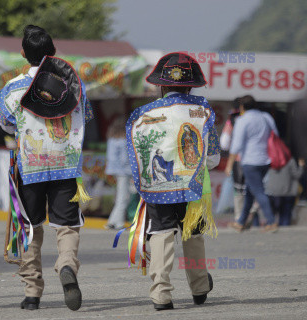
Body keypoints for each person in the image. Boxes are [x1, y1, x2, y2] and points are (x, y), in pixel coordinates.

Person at [0, 25, 93, 311]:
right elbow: (85, 115)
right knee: (67, 226)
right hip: (66, 164)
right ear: (53, 53)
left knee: (29, 227)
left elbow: (6, 124)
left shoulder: (11, 90)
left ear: (23, 54)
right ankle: (66, 265)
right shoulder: (73, 85)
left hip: (30, 166)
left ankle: (32, 292)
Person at [126, 52, 220, 310]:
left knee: (161, 234)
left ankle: (161, 294)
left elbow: (135, 156)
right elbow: (211, 158)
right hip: (193, 186)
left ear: (161, 85)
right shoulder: (202, 110)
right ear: (191, 85)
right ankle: (200, 287)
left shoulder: (140, 115)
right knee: (193, 234)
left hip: (158, 186)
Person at [225, 95, 279, 232]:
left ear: (242, 107)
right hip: (265, 160)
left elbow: (236, 145)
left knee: (259, 191)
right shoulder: (266, 117)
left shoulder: (243, 120)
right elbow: (276, 134)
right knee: (250, 191)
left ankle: (271, 221)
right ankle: (241, 222)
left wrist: (229, 164)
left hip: (250, 161)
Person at [220, 101, 263, 226]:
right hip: (259, 159)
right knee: (257, 189)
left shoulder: (233, 120)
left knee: (238, 190)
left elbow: (224, 143)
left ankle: (240, 218)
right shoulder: (262, 118)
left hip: (239, 159)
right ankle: (253, 210)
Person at [105, 116, 132, 230]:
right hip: (124, 171)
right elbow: (125, 158)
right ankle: (118, 222)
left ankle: (113, 220)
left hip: (115, 170)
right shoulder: (124, 141)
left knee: (121, 196)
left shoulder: (111, 140)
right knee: (124, 197)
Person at [265, 158, 305, 225]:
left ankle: (270, 226)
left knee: (271, 216)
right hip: (287, 192)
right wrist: (301, 166)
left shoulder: (269, 158)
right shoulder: (290, 160)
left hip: (271, 191)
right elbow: (297, 175)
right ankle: (284, 233)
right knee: (285, 216)